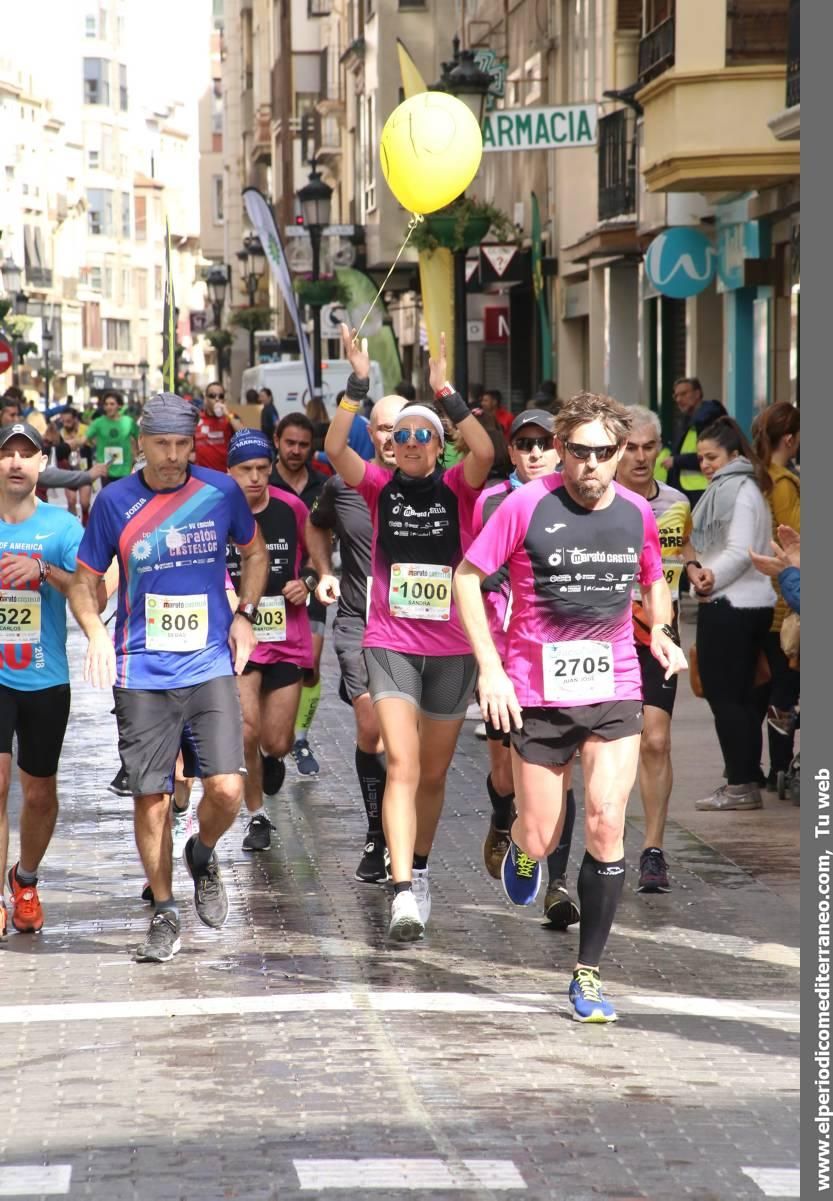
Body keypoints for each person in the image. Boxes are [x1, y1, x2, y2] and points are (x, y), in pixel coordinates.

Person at [454, 392, 686, 1023]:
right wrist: (492, 670)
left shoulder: (637, 513)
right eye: (579, 452)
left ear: (620, 454)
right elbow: (467, 579)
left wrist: (660, 630)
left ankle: (587, 976)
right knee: (542, 832)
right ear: (560, 450)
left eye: (603, 453)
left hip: (613, 685)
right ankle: (525, 847)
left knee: (609, 824)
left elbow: (653, 578)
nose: (591, 465)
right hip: (537, 693)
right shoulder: (524, 506)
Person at [69, 392, 268, 964]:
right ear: (141, 445)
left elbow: (254, 556)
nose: (173, 456)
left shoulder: (220, 491)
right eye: (162, 444)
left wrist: (245, 616)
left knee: (228, 788)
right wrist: (97, 633)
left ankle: (202, 852)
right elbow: (86, 581)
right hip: (141, 668)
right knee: (151, 796)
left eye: (183, 444)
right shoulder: (115, 501)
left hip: (207, 662)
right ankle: (164, 910)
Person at [325, 325, 494, 942]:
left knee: (432, 774)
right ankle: (401, 890)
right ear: (390, 446)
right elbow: (336, 444)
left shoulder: (459, 486)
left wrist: (444, 390)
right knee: (401, 761)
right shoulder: (376, 485)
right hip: (391, 644)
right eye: (403, 435)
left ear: (438, 443)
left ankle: (418, 868)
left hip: (451, 650)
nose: (415, 442)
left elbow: (485, 450)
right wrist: (358, 384)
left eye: (426, 434)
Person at [470, 409, 580, 929]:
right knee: (505, 774)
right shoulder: (495, 501)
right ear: (511, 452)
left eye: (543, 442)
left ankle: (557, 882)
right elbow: (475, 576)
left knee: (562, 774)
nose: (534, 452)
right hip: (505, 658)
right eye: (524, 444)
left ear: (559, 447)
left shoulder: (580, 498)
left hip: (565, 660)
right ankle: (506, 823)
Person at [307, 392, 408, 882]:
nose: (393, 438)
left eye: (402, 428)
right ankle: (378, 833)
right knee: (374, 728)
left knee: (406, 741)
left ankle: (401, 837)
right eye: (385, 429)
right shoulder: (345, 484)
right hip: (358, 623)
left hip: (416, 630)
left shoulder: (435, 488)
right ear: (371, 434)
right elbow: (315, 525)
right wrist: (324, 570)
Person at [0, 423, 92, 938]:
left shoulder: (61, 529)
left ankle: (25, 880)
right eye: (6, 454)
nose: (15, 462)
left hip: (43, 676)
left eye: (25, 455)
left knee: (38, 793)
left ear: (41, 465)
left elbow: (91, 593)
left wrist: (42, 570)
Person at [616, 407, 696, 892]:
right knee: (608, 744)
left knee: (656, 740)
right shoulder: (602, 502)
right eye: (632, 448)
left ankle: (652, 850)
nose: (642, 457)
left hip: (658, 633)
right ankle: (599, 842)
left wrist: (697, 569)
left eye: (650, 447)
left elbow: (681, 556)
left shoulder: (676, 503)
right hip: (605, 630)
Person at [225, 429, 313, 850]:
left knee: (276, 740)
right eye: (246, 470)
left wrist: (308, 582)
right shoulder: (217, 510)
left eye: (263, 468)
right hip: (237, 638)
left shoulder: (292, 508)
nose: (256, 478)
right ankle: (257, 817)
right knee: (245, 730)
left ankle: (270, 758)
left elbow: (317, 559)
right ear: (230, 471)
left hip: (284, 635)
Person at [688, 417, 775, 812]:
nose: (706, 465)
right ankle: (744, 777)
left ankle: (741, 783)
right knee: (742, 698)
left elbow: (739, 552)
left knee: (727, 699)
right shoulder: (745, 487)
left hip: (730, 604)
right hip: (751, 604)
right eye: (701, 457)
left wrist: (708, 577)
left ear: (734, 456)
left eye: (712, 457)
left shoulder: (736, 490)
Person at [270, 413, 329, 776]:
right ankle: (272, 739)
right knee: (274, 667)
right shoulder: (261, 478)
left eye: (303, 445)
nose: (296, 451)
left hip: (309, 586)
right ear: (277, 440)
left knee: (310, 664)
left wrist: (311, 579)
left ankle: (300, 739)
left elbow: (327, 539)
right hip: (267, 592)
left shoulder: (324, 486)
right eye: (289, 443)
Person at [751, 402, 801, 775]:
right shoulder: (781, 483)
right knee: (784, 690)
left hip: (757, 598)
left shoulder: (752, 476)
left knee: (764, 691)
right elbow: (793, 546)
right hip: (782, 602)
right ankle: (781, 769)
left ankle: (765, 769)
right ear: (790, 438)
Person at [658, 378, 725, 508]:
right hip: (688, 491)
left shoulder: (707, 419)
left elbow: (711, 455)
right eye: (676, 395)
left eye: (683, 394)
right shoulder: (687, 420)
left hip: (701, 490)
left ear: (697, 393)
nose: (678, 399)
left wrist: (676, 461)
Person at [85, 391, 140, 484]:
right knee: (108, 498)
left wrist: (137, 455)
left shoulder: (128, 422)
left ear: (119, 405)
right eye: (106, 404)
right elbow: (85, 439)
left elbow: (140, 438)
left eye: (112, 404)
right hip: (106, 471)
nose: (108, 407)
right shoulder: (98, 423)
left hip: (125, 471)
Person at [194, 382, 242, 472]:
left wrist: (227, 414)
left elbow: (244, 434)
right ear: (205, 399)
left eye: (221, 396)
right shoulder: (197, 418)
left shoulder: (230, 417)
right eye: (212, 396)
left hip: (224, 473)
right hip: (203, 474)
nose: (217, 399)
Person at [59, 408, 93, 523]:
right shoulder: (61, 433)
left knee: (84, 503)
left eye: (68, 421)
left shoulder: (86, 429)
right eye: (63, 421)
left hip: (84, 470)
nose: (65, 424)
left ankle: (85, 518)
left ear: (75, 419)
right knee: (71, 501)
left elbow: (95, 443)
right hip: (69, 471)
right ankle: (73, 524)